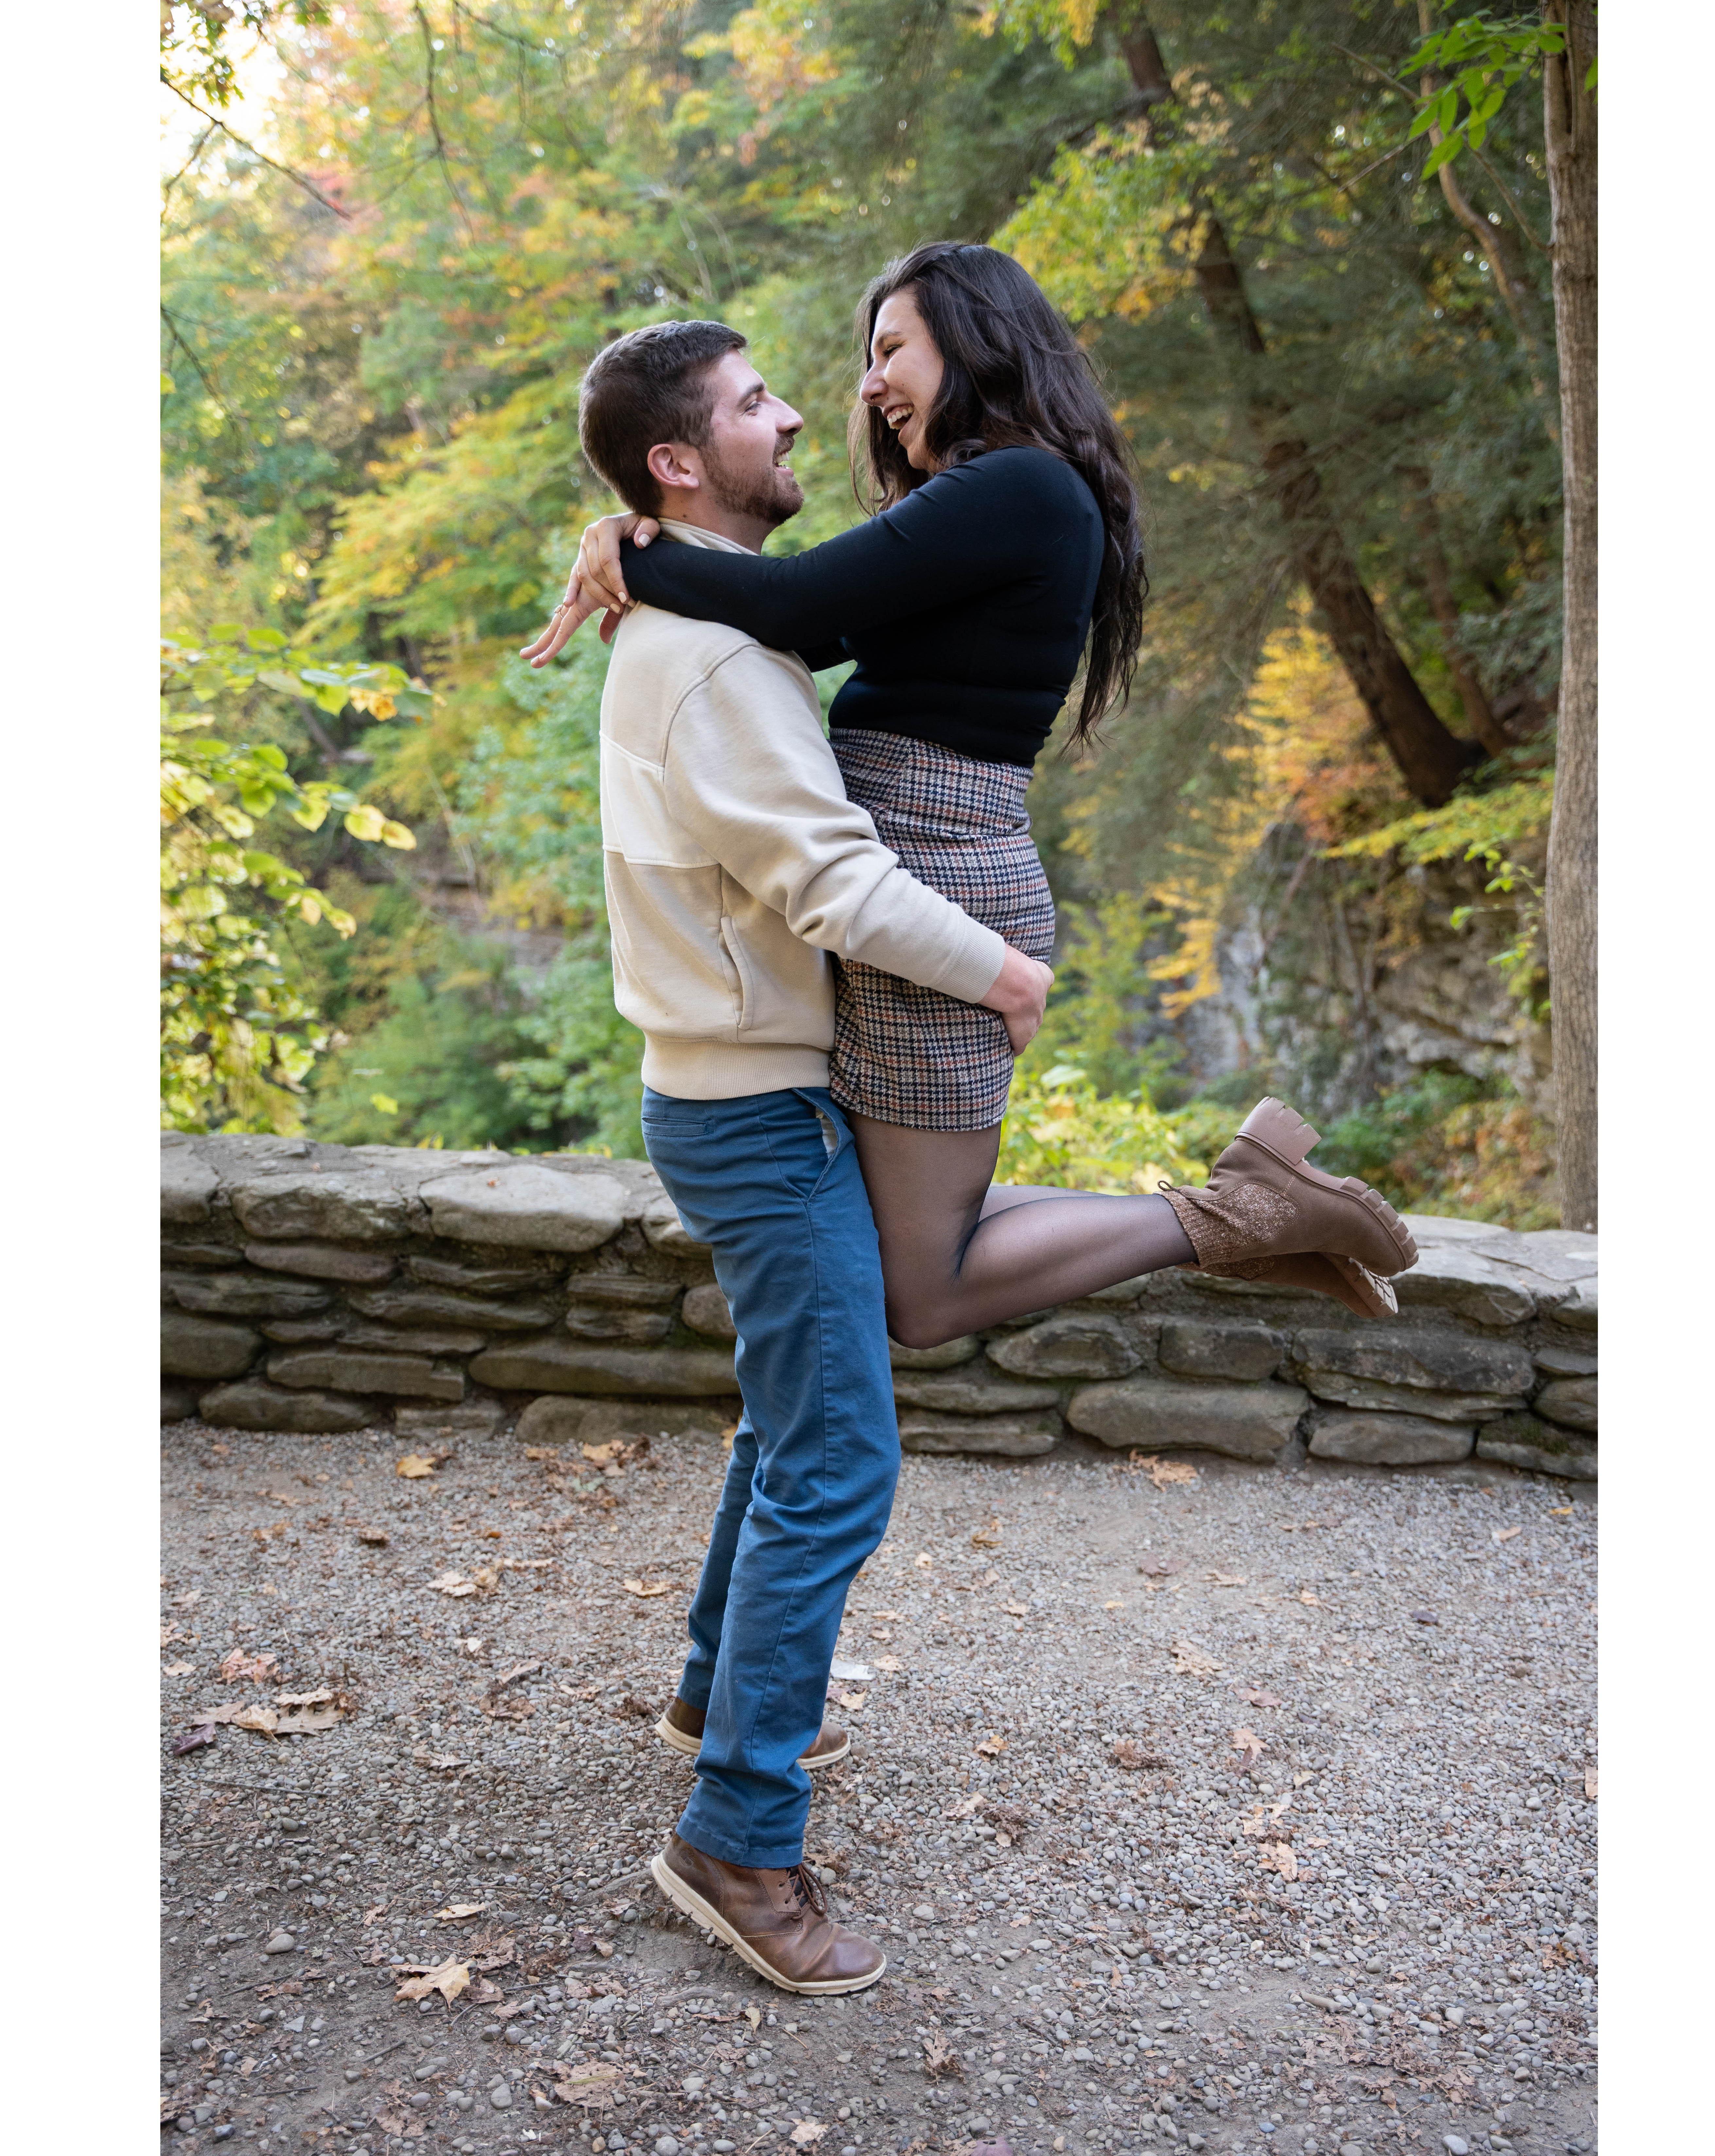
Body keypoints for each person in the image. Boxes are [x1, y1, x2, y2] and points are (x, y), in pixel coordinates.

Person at [522, 243, 1418, 1327]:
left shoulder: (1020, 485)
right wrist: (627, 531)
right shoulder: (992, 498)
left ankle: (1249, 1212)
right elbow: (812, 621)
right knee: (910, 1239)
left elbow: (793, 606)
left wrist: (628, 549)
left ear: (974, 341)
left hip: (938, 871)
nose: (867, 386)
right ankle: (1253, 1213)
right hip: (926, 867)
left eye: (891, 349)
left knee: (924, 1289)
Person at [568, 317, 1055, 1996]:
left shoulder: (712, 624)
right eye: (754, 402)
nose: (799, 417)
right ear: (679, 463)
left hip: (751, 1092)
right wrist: (998, 972)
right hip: (754, 1112)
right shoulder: (712, 663)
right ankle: (737, 1835)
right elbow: (831, 880)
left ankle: (718, 1691)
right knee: (840, 1458)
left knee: (795, 1423)